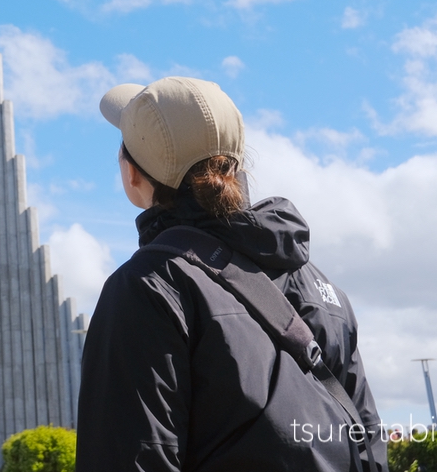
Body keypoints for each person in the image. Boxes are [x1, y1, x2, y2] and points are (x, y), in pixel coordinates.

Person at [77, 77, 385, 472]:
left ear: (133, 173)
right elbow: (368, 437)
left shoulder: (150, 286)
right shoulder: (324, 289)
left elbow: (129, 458)